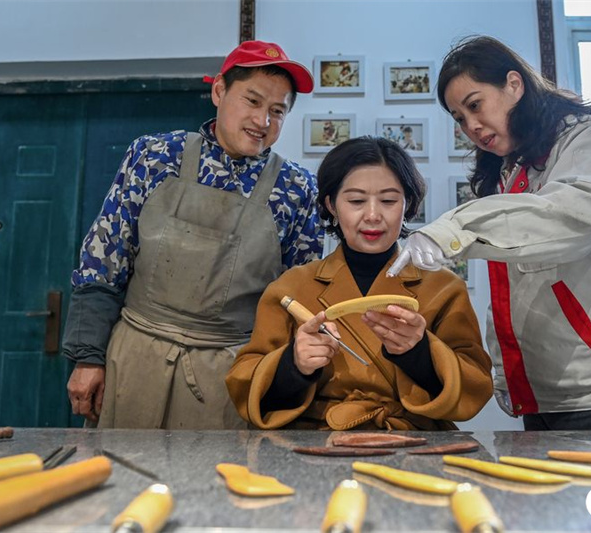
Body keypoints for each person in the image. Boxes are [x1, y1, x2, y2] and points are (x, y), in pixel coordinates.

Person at [387, 36, 591, 431]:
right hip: (538, 393)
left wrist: (454, 228)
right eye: (459, 118)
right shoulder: (510, 168)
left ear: (514, 84)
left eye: (475, 105)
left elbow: (574, 215)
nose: (471, 126)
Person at [63, 40, 322, 430]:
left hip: (229, 376)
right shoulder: (153, 156)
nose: (263, 121)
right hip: (133, 361)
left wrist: (277, 383)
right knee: (118, 481)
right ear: (219, 91)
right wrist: (87, 357)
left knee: (215, 486)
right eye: (252, 101)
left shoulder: (298, 189)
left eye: (277, 111)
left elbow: (295, 302)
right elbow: (103, 260)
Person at [226, 137, 492, 430]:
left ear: (409, 205)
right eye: (356, 201)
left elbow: (475, 387)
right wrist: (294, 365)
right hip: (313, 442)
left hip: (413, 442)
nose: (373, 215)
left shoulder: (444, 288)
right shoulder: (291, 287)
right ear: (331, 205)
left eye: (389, 201)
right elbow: (243, 385)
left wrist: (420, 353)